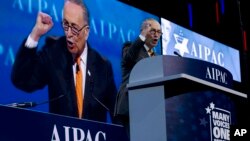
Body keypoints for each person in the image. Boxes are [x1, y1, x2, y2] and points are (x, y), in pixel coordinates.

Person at [11, 0, 117, 123]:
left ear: (86, 32)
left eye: (75, 28)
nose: (69, 34)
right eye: (66, 25)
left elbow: (117, 115)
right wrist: (35, 35)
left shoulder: (102, 66)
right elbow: (21, 79)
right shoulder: (54, 52)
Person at [114, 18, 162, 138]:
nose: (156, 35)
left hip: (150, 111)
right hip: (130, 108)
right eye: (153, 31)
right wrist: (142, 37)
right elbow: (129, 58)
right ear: (144, 31)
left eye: (159, 32)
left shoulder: (158, 58)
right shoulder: (130, 48)